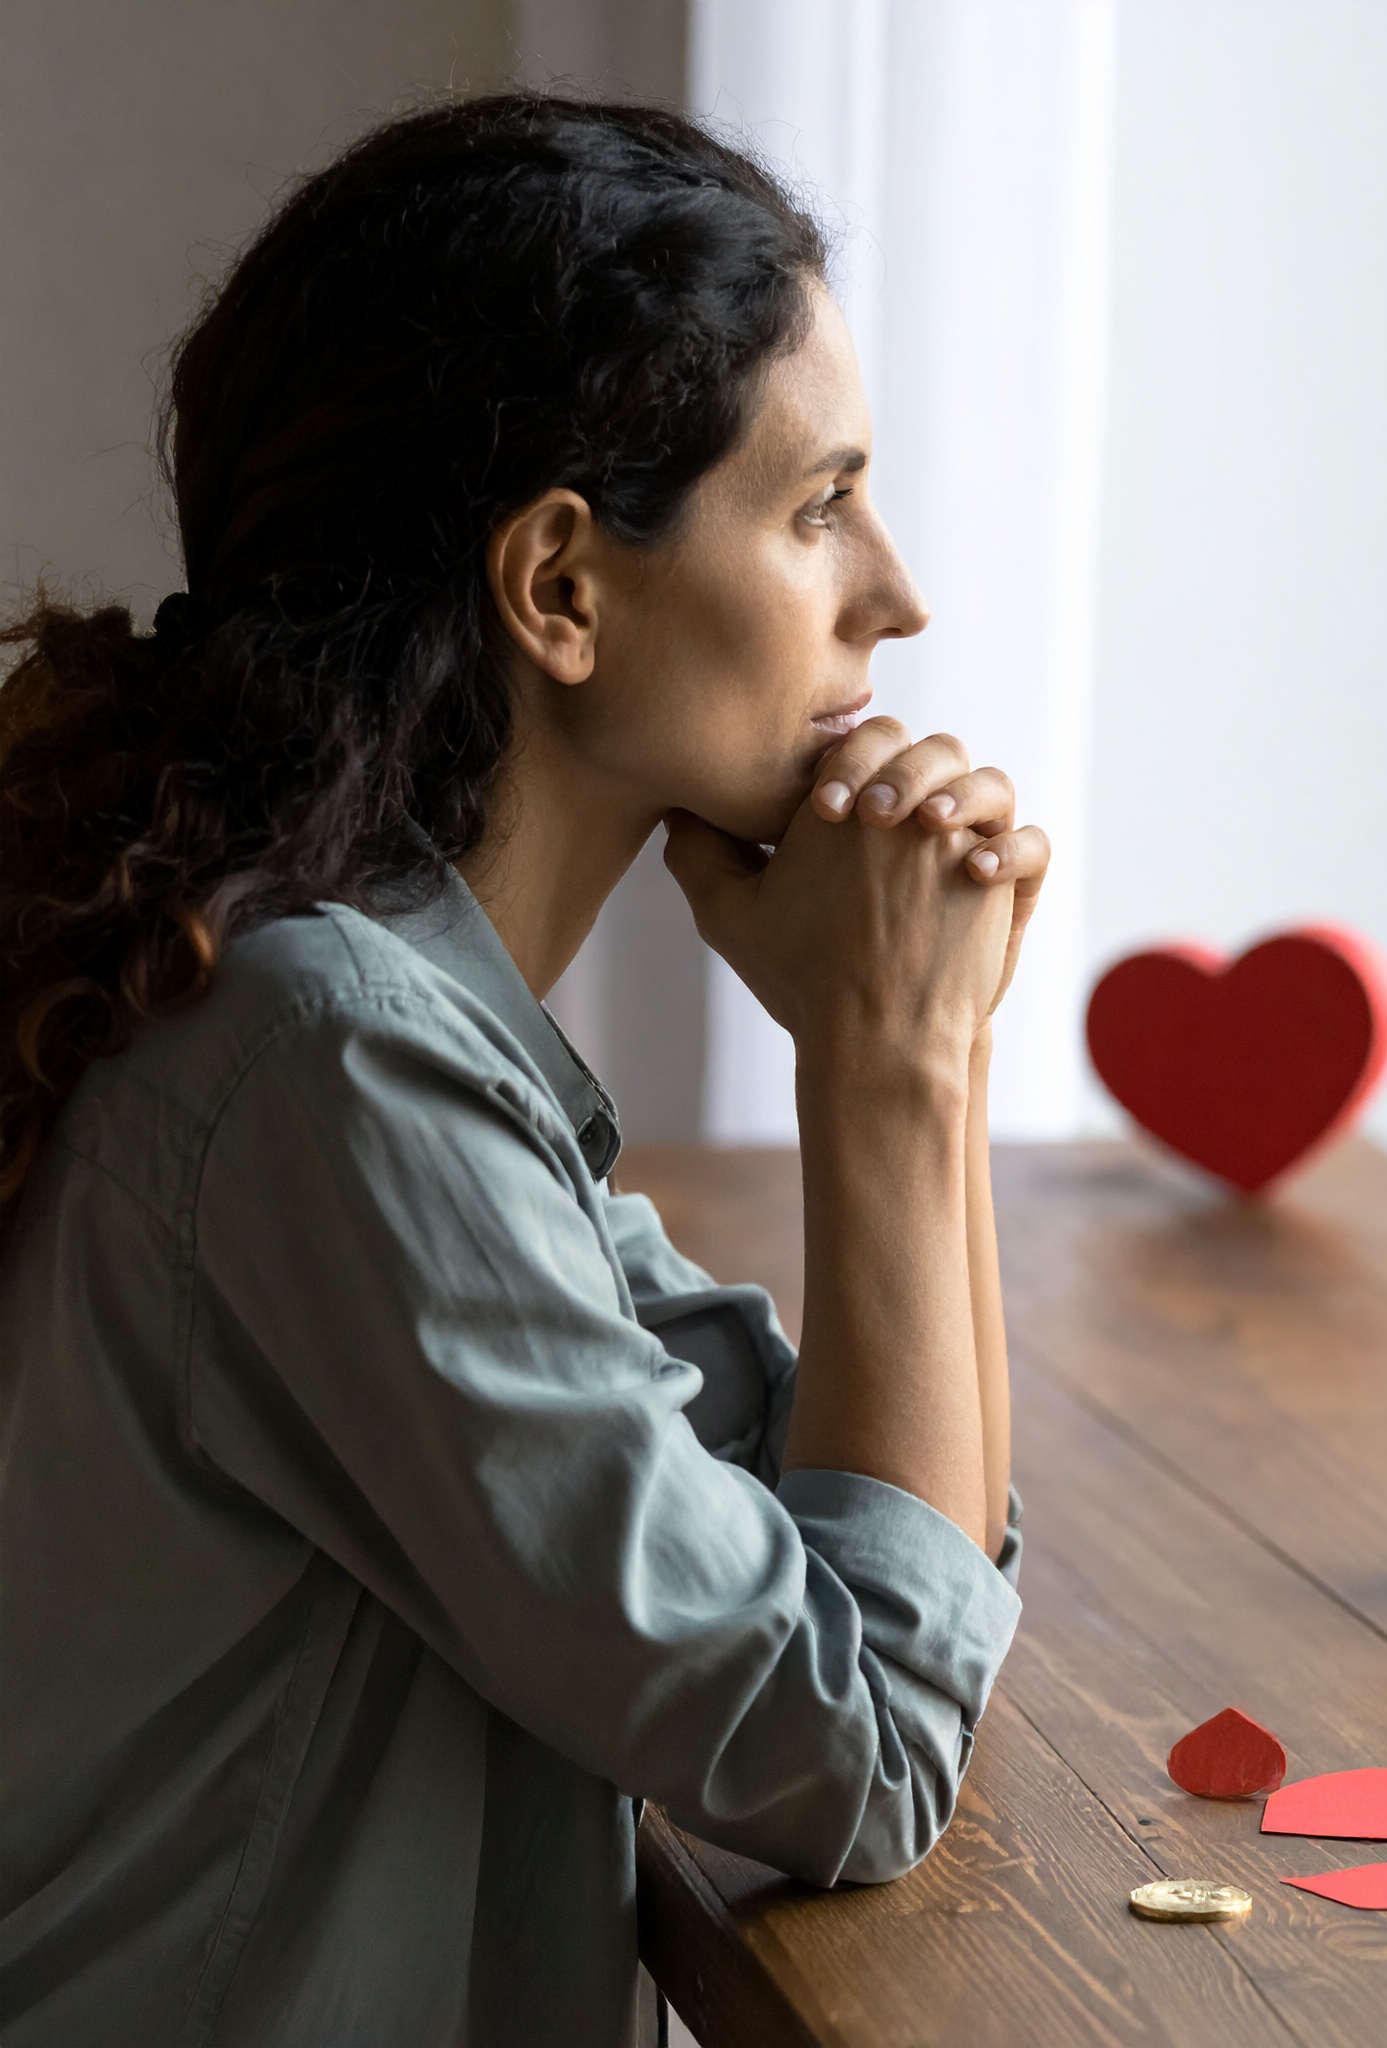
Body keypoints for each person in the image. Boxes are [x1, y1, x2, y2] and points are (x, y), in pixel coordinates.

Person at [0, 95, 1046, 2047]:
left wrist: (931, 1047)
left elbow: (833, 1539)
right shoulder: (327, 1055)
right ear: (559, 585)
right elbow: (858, 1736)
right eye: (816, 505)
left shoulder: (352, 997)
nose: (894, 595)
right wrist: (885, 1065)